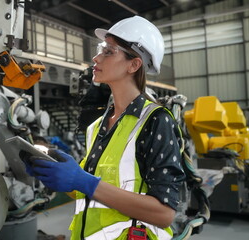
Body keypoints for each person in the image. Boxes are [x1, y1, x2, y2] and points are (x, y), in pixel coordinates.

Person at [25, 16, 185, 240]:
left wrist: (83, 181)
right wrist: (56, 174)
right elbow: (88, 191)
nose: (95, 57)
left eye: (108, 51)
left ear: (134, 64)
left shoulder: (155, 120)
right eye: (100, 50)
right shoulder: (97, 126)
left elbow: (164, 213)